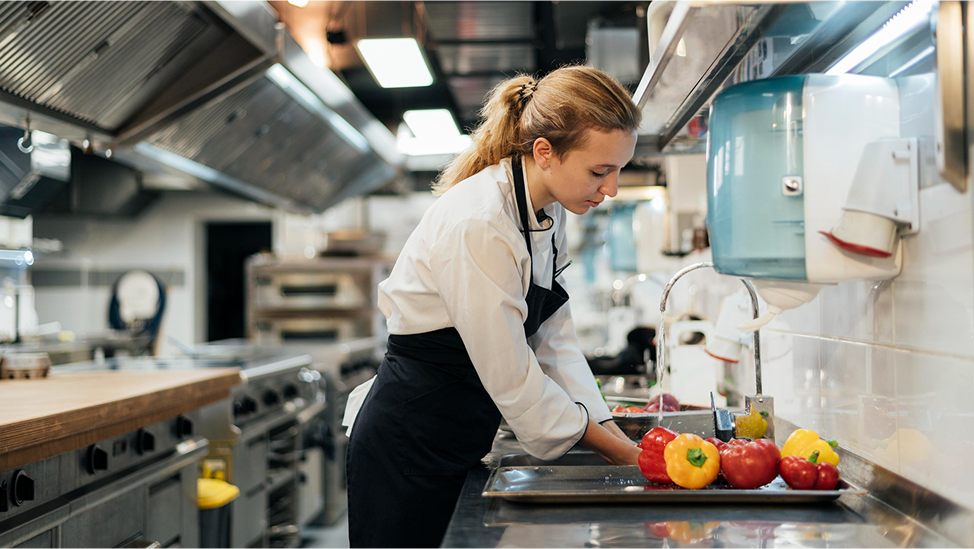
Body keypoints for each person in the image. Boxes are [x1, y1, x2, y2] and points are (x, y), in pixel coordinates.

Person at [344, 65, 642, 549]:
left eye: (618, 170)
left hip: (458, 431)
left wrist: (606, 428)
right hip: (410, 441)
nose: (611, 189)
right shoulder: (480, 221)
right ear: (544, 152)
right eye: (599, 171)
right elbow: (511, 373)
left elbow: (554, 339)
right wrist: (625, 454)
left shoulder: (546, 212)